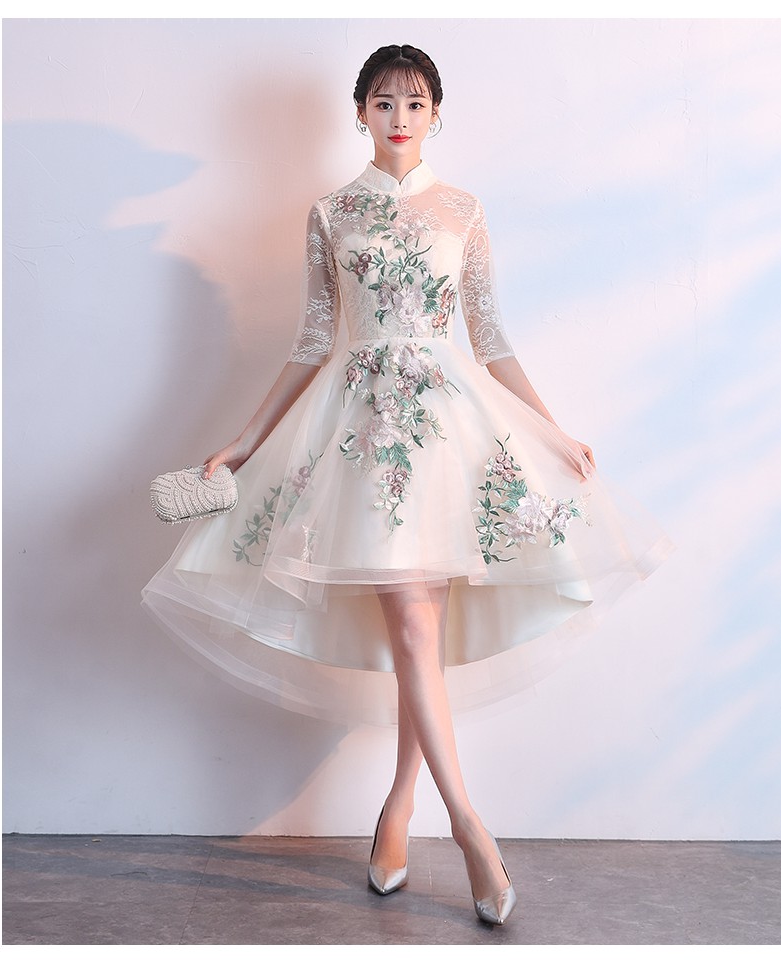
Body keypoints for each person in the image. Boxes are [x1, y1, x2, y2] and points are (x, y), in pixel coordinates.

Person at [142, 44, 670, 926]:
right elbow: (313, 342)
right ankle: (469, 829)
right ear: (359, 111)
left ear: (435, 114)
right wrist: (243, 442)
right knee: (417, 631)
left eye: (414, 102)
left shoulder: (463, 210)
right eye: (383, 101)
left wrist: (550, 429)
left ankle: (398, 808)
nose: (398, 116)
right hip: (361, 441)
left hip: (451, 436)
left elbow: (490, 340)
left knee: (422, 637)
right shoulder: (331, 212)